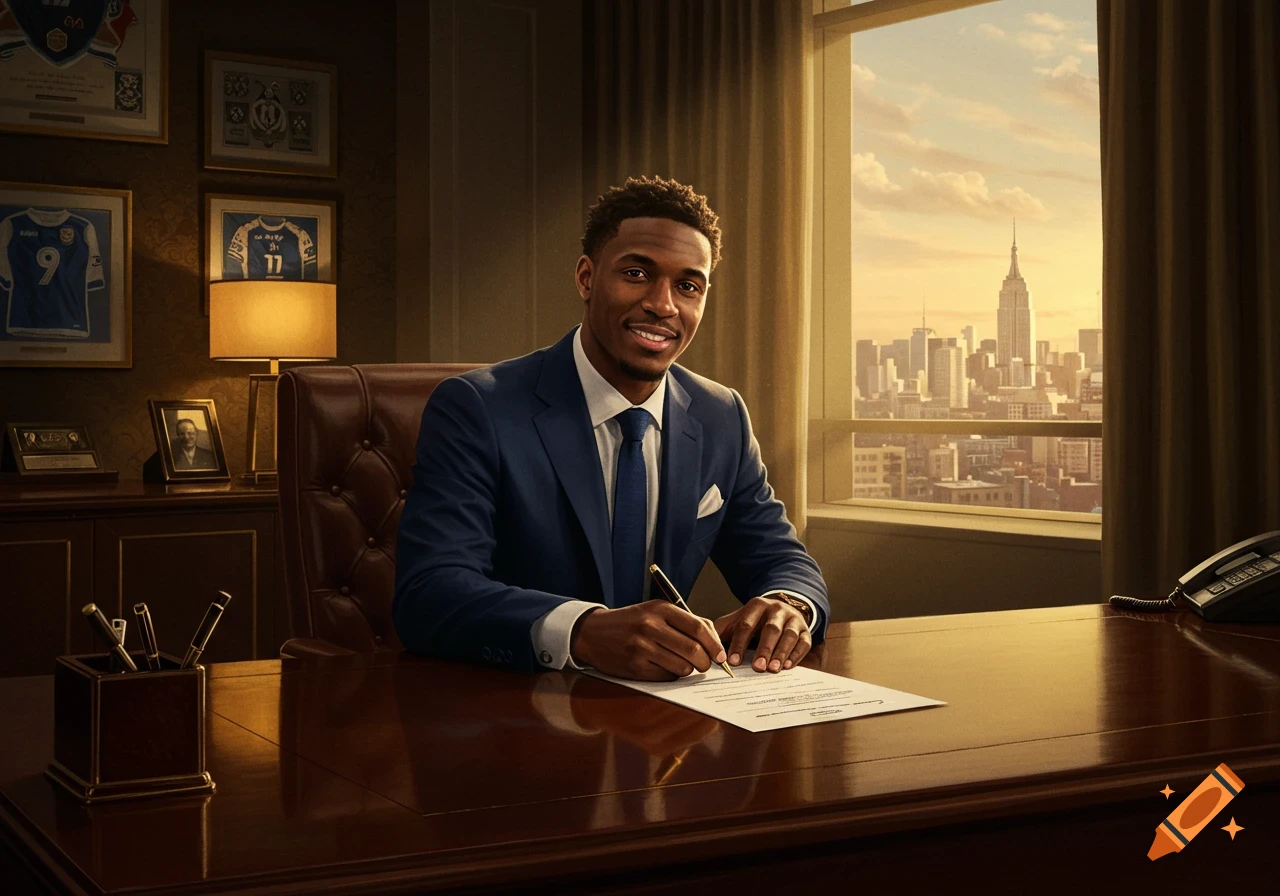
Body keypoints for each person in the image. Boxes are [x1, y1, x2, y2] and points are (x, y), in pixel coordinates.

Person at [394, 175, 828, 681]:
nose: (663, 305)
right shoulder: (477, 408)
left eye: (688, 285)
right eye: (638, 273)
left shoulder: (720, 414)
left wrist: (786, 604)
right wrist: (583, 630)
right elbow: (430, 592)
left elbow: (782, 558)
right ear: (585, 277)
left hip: (662, 721)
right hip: (517, 708)